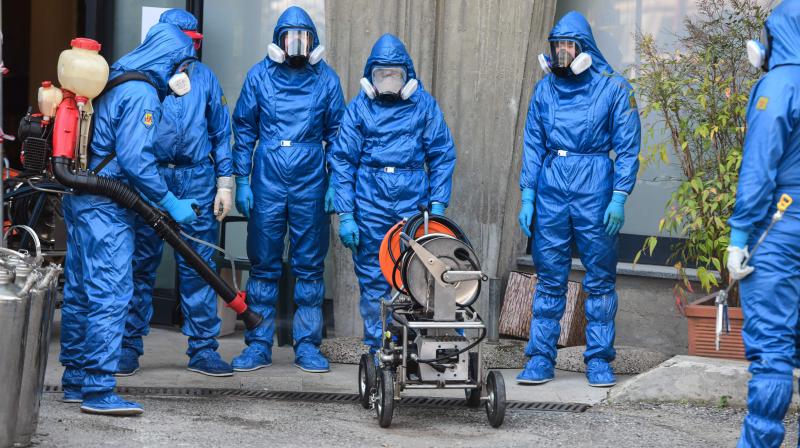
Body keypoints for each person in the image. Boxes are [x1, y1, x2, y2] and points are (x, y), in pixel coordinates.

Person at [59, 23, 198, 415]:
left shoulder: (117, 79)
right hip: (107, 206)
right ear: (169, 59)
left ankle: (75, 379)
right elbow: (136, 160)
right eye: (183, 65)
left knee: (82, 293)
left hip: (84, 200)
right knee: (111, 292)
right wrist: (170, 200)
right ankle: (99, 390)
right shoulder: (142, 95)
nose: (184, 75)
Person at [516, 11, 640, 387]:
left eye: (568, 45)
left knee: (600, 279)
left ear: (583, 47)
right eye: (556, 46)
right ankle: (540, 358)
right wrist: (528, 195)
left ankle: (599, 360)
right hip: (553, 182)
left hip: (595, 183)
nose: (561, 53)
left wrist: (619, 196)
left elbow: (629, 148)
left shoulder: (614, 88)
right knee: (549, 277)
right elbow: (533, 145)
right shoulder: (544, 89)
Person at [116, 9, 234, 378]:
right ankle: (127, 348)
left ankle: (203, 350)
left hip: (196, 178)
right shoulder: (146, 79)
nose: (191, 52)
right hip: (153, 179)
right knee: (139, 267)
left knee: (199, 267)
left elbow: (221, 133)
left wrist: (225, 183)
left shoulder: (207, 80)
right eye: (188, 43)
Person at [231, 6, 344, 373]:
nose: (297, 45)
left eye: (304, 38)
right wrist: (243, 181)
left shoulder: (326, 79)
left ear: (313, 42)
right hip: (267, 177)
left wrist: (335, 183)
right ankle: (258, 344)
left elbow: (339, 136)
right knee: (263, 264)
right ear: (278, 41)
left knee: (309, 266)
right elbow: (244, 130)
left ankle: (308, 345)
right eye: (291, 38)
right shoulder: (259, 76)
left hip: (311, 177)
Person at [330, 33, 457, 353]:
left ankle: (417, 347)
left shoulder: (424, 106)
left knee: (418, 275)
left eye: (394, 74)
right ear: (370, 75)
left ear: (408, 76)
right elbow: (343, 162)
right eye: (381, 74)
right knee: (374, 279)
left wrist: (438, 206)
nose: (388, 81)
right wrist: (346, 214)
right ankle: (380, 350)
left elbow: (442, 154)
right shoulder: (358, 109)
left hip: (413, 204)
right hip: (370, 202)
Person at [728, 2, 800, 446]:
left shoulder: (778, 84)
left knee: (773, 350)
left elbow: (758, 169)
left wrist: (739, 237)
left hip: (779, 226)